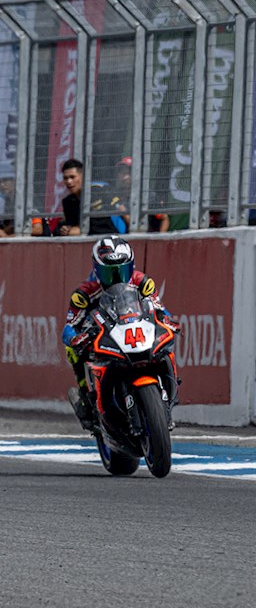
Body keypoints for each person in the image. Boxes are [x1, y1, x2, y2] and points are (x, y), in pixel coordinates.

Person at [62, 236, 175, 430]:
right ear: (97, 269)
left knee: (165, 345)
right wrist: (75, 338)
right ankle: (85, 396)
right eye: (109, 272)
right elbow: (69, 326)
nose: (116, 276)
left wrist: (167, 321)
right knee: (72, 350)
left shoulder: (142, 282)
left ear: (131, 266)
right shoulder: (84, 293)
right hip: (102, 333)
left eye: (121, 270)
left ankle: (168, 390)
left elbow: (160, 310)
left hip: (134, 330)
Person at [56, 158, 127, 236]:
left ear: (83, 176)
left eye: (72, 177)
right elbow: (72, 227)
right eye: (65, 178)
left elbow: (123, 212)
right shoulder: (68, 201)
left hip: (108, 237)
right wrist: (66, 230)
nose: (69, 182)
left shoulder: (99, 191)